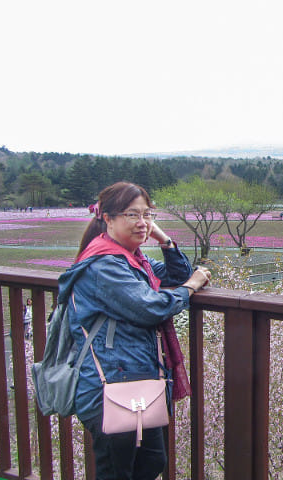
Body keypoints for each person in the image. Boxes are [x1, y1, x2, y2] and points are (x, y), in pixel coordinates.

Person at [59, 182, 211, 480]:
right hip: (109, 386)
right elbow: (150, 307)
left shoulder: (133, 259)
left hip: (136, 382)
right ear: (108, 218)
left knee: (152, 462)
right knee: (117, 472)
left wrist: (164, 240)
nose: (142, 222)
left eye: (147, 214)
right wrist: (190, 288)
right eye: (132, 215)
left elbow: (176, 273)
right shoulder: (105, 265)